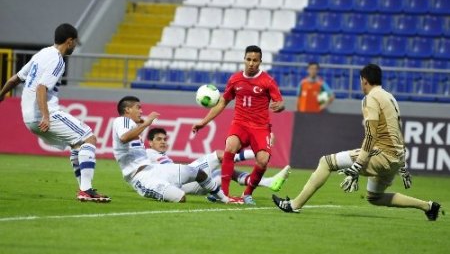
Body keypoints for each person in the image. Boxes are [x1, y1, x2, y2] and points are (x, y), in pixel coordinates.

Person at [272, 64, 442, 221]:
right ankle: (428, 206)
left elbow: (370, 135)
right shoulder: (390, 97)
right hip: (396, 157)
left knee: (326, 162)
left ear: (364, 80)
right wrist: (402, 164)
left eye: (360, 80)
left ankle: (294, 205)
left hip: (382, 154)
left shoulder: (371, 98)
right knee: (374, 197)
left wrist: (358, 165)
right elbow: (397, 129)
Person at [0, 23, 110, 202]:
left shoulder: (41, 54)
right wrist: (45, 115)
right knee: (89, 137)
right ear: (69, 41)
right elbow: (41, 88)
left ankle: (84, 189)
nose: (75, 46)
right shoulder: (58, 60)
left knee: (77, 144)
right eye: (75, 42)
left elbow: (16, 78)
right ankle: (86, 189)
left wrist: (1, 94)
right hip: (43, 113)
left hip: (27, 116)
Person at [192, 45, 285, 205]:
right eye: (248, 59)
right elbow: (222, 102)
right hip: (240, 124)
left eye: (255, 60)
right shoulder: (235, 79)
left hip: (260, 127)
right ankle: (223, 194)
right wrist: (204, 122)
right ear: (244, 59)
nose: (251, 63)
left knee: (263, 161)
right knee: (230, 148)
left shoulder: (267, 81)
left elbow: (280, 102)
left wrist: (279, 106)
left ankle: (247, 193)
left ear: (260, 62)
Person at [112, 96, 238, 203]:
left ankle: (225, 200)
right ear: (127, 109)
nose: (141, 111)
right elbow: (124, 138)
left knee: (199, 173)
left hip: (154, 168)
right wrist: (146, 123)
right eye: (138, 107)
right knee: (180, 197)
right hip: (141, 177)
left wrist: (142, 124)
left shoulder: (132, 125)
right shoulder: (122, 120)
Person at [145, 127, 291, 196]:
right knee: (219, 155)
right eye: (159, 139)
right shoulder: (149, 153)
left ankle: (268, 182)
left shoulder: (158, 157)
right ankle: (257, 152)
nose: (163, 142)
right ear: (150, 143)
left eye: (164, 139)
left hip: (187, 186)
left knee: (225, 171)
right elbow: (169, 169)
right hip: (180, 181)